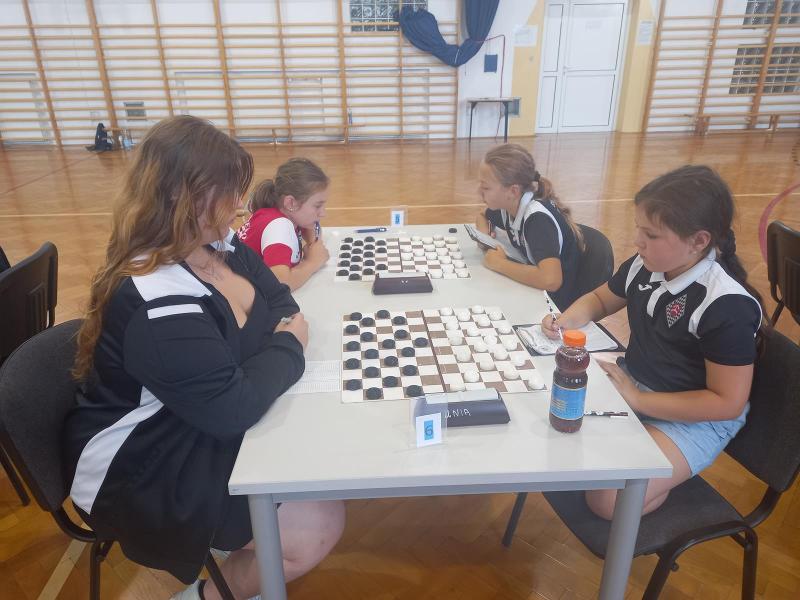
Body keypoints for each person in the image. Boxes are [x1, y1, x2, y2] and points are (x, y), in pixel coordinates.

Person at [63, 115, 345, 600]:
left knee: (317, 454)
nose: (241, 203)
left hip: (197, 414)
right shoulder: (155, 296)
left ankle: (240, 551)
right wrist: (286, 346)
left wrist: (266, 356)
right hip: (143, 461)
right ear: (183, 198)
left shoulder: (218, 244)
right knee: (318, 522)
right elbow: (234, 405)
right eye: (229, 191)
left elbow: (282, 302)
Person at [541, 165, 765, 519]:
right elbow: (600, 300)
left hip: (695, 418)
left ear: (699, 241)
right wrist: (565, 320)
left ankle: (664, 481)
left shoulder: (726, 305)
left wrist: (639, 399)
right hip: (637, 385)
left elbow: (726, 403)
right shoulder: (647, 265)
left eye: (651, 234)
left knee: (607, 501)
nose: (637, 241)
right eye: (638, 229)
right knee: (554, 420)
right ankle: (645, 461)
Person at [475, 143, 583, 309]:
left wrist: (499, 263)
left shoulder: (537, 219)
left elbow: (551, 280)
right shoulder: (509, 206)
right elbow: (482, 215)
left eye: (485, 187)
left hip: (553, 307)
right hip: (533, 292)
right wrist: (486, 240)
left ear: (513, 191)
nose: (478, 191)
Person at [236, 158, 330, 291]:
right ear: (290, 203)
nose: (323, 213)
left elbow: (313, 230)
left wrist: (312, 241)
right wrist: (312, 263)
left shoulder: (282, 212)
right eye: (317, 206)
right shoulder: (279, 226)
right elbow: (279, 285)